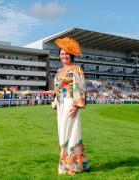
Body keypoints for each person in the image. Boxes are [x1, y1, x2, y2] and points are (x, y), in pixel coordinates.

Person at [53, 37, 90, 175]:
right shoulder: (58, 71)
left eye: (67, 54)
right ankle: (73, 162)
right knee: (62, 133)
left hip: (70, 103)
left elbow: (80, 87)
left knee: (72, 131)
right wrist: (55, 104)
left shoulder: (76, 69)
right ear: (59, 56)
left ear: (71, 55)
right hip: (61, 105)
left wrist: (76, 105)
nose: (64, 56)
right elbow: (56, 89)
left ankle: (73, 165)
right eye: (62, 54)